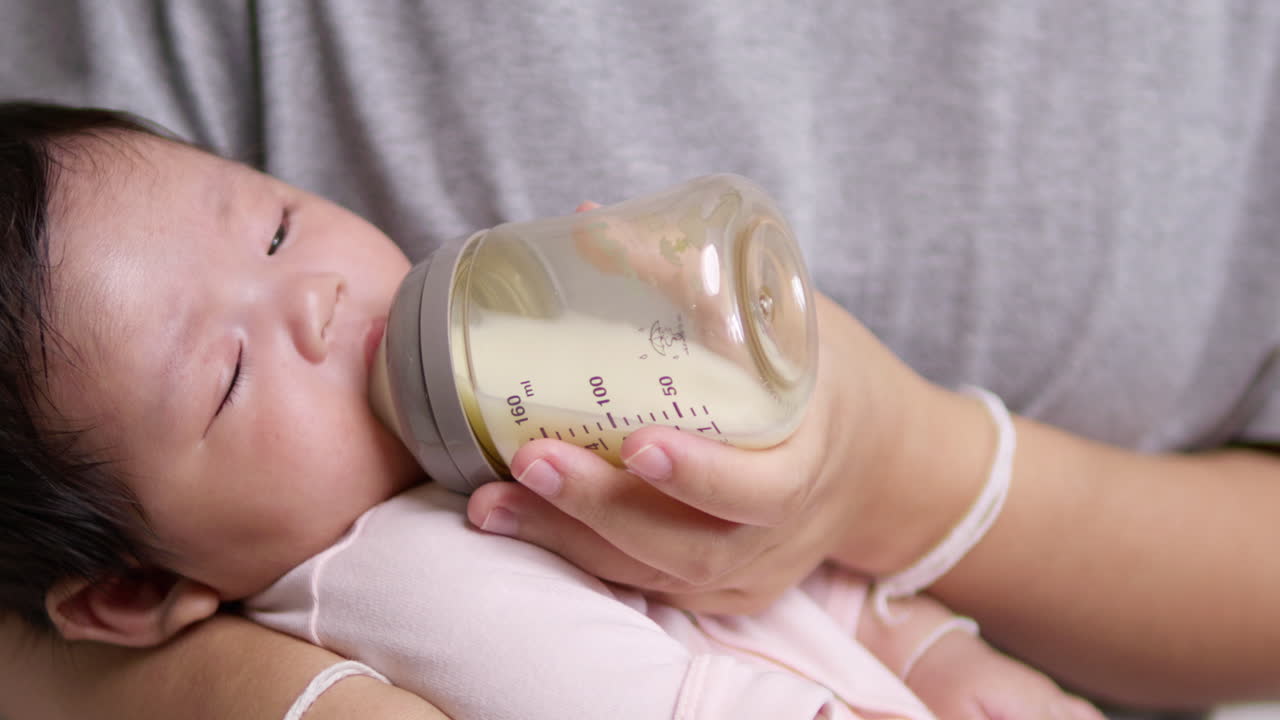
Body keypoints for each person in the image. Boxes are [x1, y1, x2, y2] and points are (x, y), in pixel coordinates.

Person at [2, 1, 1278, 717]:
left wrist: (941, 656)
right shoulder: (378, 597)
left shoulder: (517, 428)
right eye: (226, 377)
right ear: (129, 593)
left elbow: (799, 587)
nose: (320, 300)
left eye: (278, 224)